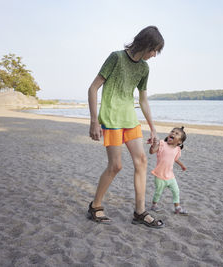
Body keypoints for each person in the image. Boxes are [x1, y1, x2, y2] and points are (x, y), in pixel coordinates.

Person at [87, 26, 164, 228]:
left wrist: (153, 129)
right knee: (116, 166)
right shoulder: (116, 58)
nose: (155, 55)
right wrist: (94, 120)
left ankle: (139, 212)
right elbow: (93, 87)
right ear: (146, 44)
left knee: (142, 161)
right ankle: (95, 206)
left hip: (130, 120)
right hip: (111, 119)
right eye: (154, 50)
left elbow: (144, 100)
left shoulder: (144, 68)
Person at [149, 126, 188, 215]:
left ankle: (177, 207)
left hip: (170, 176)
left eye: (176, 133)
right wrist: (153, 145)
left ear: (180, 142)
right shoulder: (162, 144)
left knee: (176, 191)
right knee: (158, 192)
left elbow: (175, 158)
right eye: (172, 131)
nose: (173, 133)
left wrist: (182, 165)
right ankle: (154, 205)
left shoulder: (177, 149)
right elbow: (152, 152)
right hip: (159, 175)